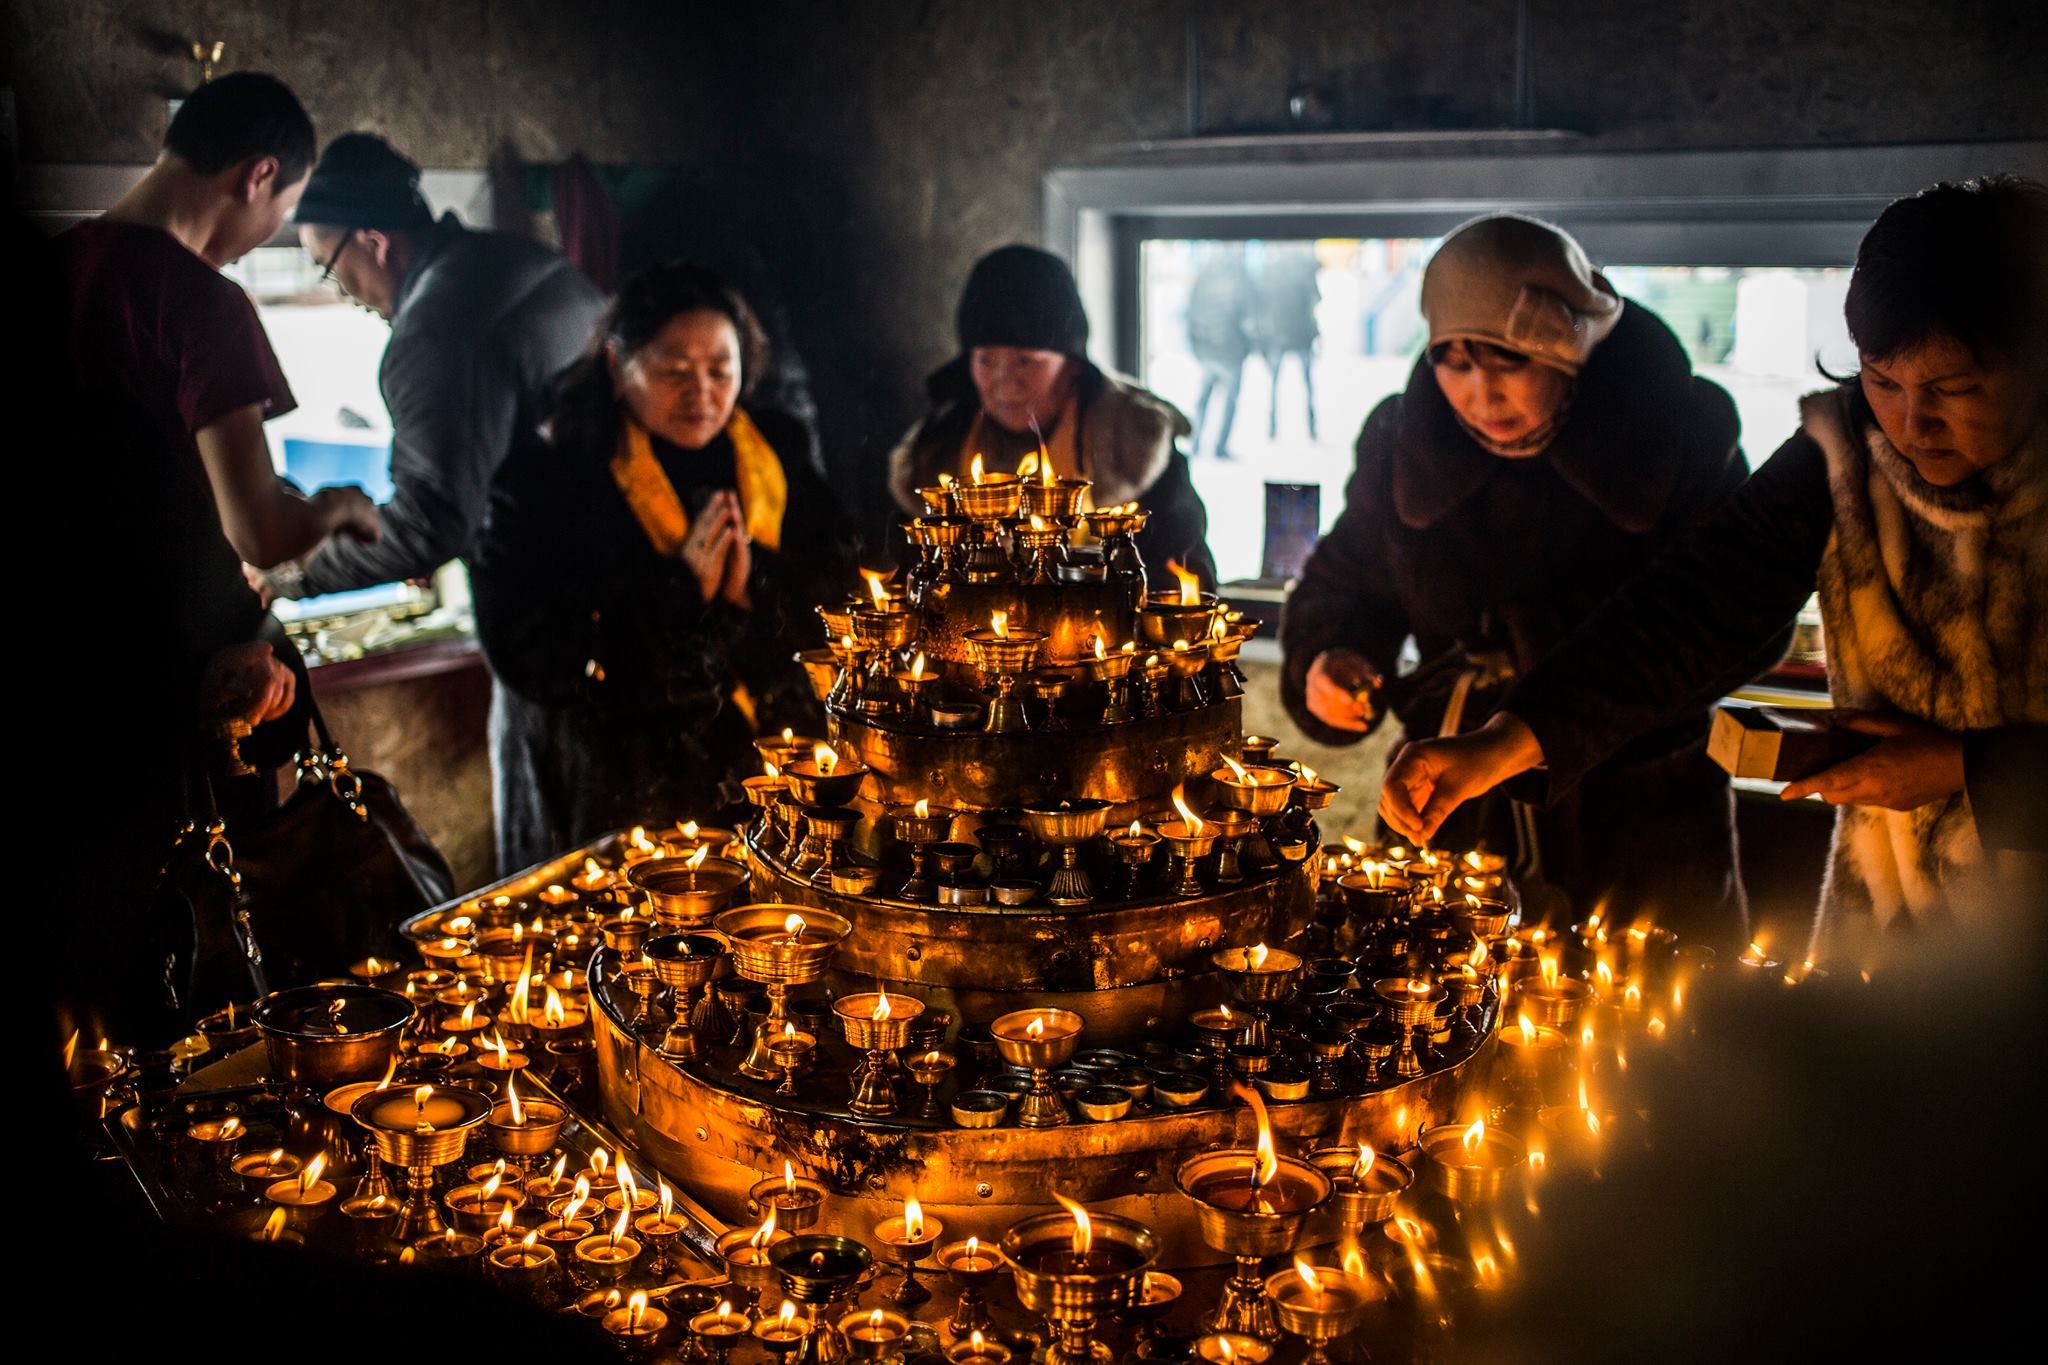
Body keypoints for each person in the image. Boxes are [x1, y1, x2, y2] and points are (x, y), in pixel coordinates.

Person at [1378, 177, 2048, 963]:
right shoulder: (1847, 446)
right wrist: (1508, 740)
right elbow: (1695, 601)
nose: (1909, 423)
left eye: (1954, 389)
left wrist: (1963, 769)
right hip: (1901, 922)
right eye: (1882, 379)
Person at [1281, 214, 1784, 946]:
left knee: (1660, 1040)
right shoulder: (1404, 443)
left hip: (1639, 820)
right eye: (1453, 361)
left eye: (1506, 360)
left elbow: (1732, 619)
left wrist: (1551, 678)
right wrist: (1330, 657)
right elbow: (1345, 582)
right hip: (1448, 813)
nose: (1478, 392)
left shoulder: (1681, 437)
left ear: (1570, 351)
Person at [472, 264, 851, 872]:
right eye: (675, 370)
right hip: (618, 773)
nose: (702, 392)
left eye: (720, 369)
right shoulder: (548, 478)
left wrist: (752, 583)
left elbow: (837, 584)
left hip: (768, 754)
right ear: (619, 366)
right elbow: (527, 651)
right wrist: (678, 591)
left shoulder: (776, 449)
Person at [53, 72, 381, 578]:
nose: (274, 226)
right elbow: (261, 536)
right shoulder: (206, 302)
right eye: (284, 207)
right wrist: (342, 505)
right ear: (259, 177)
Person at [264, 132, 607, 601]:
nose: (341, 292)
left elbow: (431, 524)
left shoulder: (431, 334)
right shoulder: (520, 258)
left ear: (374, 243)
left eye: (328, 267)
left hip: (554, 605)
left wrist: (296, 572)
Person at [886, 244, 1217, 588]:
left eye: (1026, 360)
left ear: (1072, 365)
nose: (1004, 382)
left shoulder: (1134, 445)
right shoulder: (935, 451)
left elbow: (1187, 583)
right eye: (985, 360)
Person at [1185, 245, 1253, 459]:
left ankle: (1195, 443)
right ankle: (1219, 447)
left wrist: (1197, 346)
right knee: (1229, 401)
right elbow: (1248, 319)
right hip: (1230, 352)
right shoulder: (1239, 280)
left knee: (1204, 399)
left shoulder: (1204, 277)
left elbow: (1190, 313)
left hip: (1208, 351)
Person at [1254, 242, 1321, 442]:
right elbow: (1315, 299)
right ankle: (1311, 429)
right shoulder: (1303, 270)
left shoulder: (1271, 271)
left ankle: (1272, 428)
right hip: (1301, 335)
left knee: (1274, 385)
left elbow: (1261, 305)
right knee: (1307, 385)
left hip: (1278, 337)